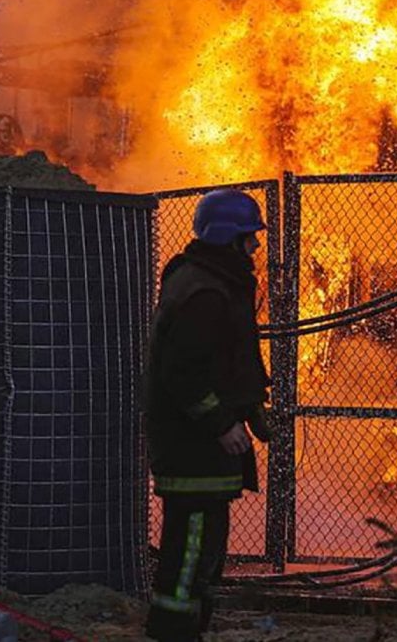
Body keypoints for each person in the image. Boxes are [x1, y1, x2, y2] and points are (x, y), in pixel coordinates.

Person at [144, 189, 272, 642]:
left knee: (202, 547)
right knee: (192, 547)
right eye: (248, 236)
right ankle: (173, 631)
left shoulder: (212, 281)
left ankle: (187, 627)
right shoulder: (206, 292)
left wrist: (251, 409)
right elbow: (182, 372)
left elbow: (227, 361)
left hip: (198, 447)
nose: (255, 245)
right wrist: (221, 424)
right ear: (227, 237)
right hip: (192, 447)